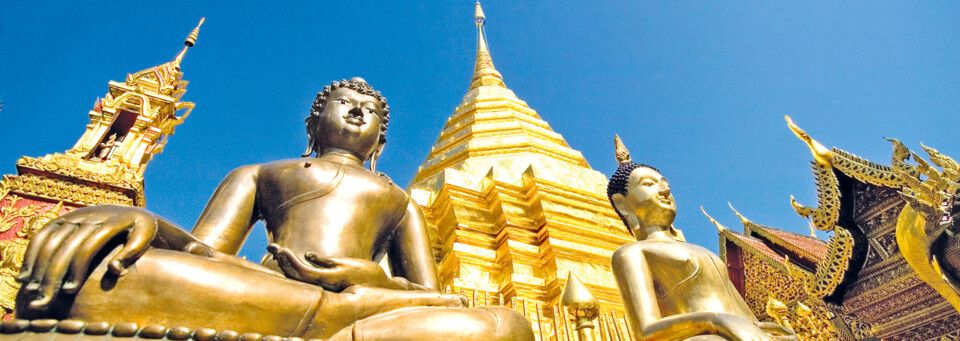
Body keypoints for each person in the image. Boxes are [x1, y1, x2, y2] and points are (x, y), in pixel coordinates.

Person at [15, 78, 534, 341]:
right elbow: (206, 250)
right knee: (106, 275)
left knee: (504, 325)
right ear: (313, 123)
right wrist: (147, 222)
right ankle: (330, 325)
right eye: (345, 103)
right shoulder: (260, 173)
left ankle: (338, 321)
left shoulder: (399, 199)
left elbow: (426, 295)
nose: (358, 112)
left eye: (371, 111)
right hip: (265, 291)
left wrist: (370, 279)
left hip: (364, 305)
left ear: (380, 136)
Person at [607, 136, 795, 341]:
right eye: (649, 184)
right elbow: (645, 331)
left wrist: (764, 329)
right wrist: (716, 321)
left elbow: (745, 319)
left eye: (665, 183)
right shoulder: (632, 253)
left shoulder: (704, 251)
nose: (665, 190)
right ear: (623, 204)